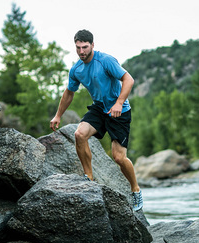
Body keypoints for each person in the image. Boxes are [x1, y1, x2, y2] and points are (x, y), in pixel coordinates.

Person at [50, 29, 143, 211]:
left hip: (119, 110)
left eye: (85, 47)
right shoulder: (76, 69)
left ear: (93, 45)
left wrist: (119, 102)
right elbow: (69, 92)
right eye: (78, 48)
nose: (82, 51)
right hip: (99, 108)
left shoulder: (105, 60)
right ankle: (89, 178)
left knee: (118, 157)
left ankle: (136, 189)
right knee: (79, 134)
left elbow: (128, 79)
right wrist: (58, 115)